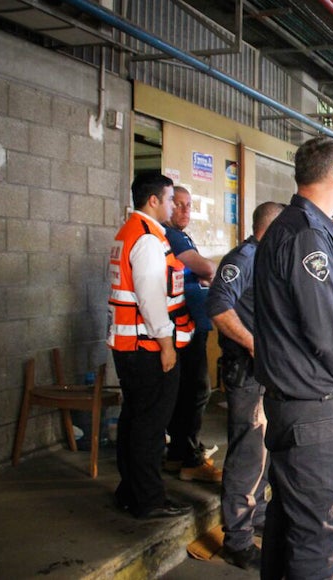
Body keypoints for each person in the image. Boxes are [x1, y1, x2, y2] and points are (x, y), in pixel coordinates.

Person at [253, 136, 333, 579]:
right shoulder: (307, 237)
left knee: (287, 522)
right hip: (313, 411)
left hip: (291, 406)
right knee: (319, 534)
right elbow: (328, 332)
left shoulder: (289, 228)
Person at [107, 172, 194, 519]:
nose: (174, 205)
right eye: (171, 199)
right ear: (154, 200)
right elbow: (150, 297)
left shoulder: (130, 232)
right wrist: (166, 344)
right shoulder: (145, 238)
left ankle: (129, 491)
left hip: (129, 345)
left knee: (135, 419)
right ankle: (149, 500)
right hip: (146, 347)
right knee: (150, 426)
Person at [206, 201, 284, 570]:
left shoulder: (265, 258)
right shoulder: (244, 258)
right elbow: (219, 307)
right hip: (247, 371)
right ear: (272, 226)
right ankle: (236, 539)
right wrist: (256, 345)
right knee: (247, 453)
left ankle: (256, 516)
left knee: (262, 451)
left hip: (264, 372)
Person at [162, 186, 221, 483]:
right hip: (182, 327)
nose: (184, 211)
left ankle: (178, 454)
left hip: (190, 325)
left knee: (187, 391)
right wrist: (206, 272)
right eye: (179, 205)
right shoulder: (172, 235)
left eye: (189, 206)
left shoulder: (179, 236)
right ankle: (189, 458)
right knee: (195, 391)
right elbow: (206, 267)